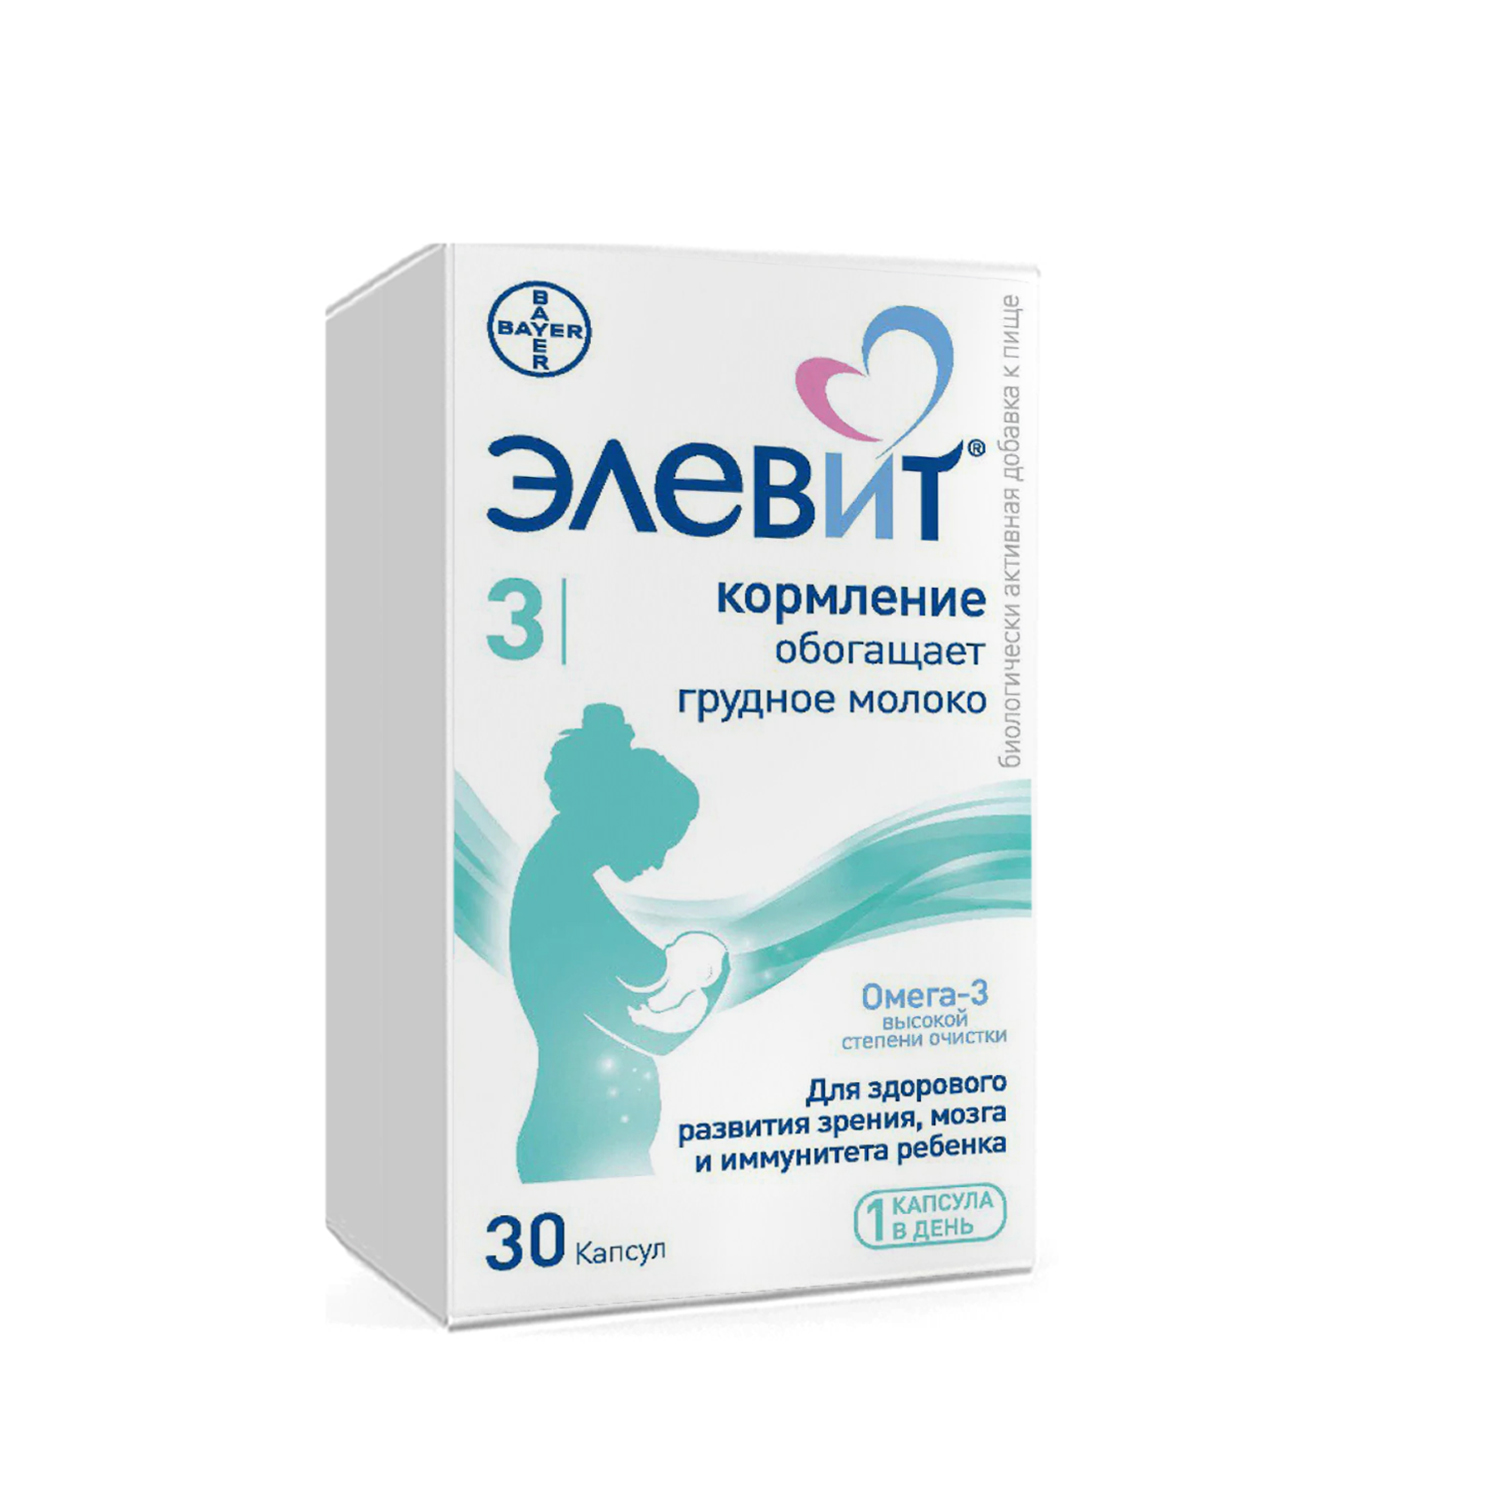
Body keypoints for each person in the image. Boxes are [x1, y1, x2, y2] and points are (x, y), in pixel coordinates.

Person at [508, 704, 728, 1182]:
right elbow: (654, 1032)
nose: (659, 859)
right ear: (625, 815)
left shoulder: (562, 882)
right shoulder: (561, 896)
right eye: (661, 838)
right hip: (578, 1149)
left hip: (594, 1144)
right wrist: (713, 975)